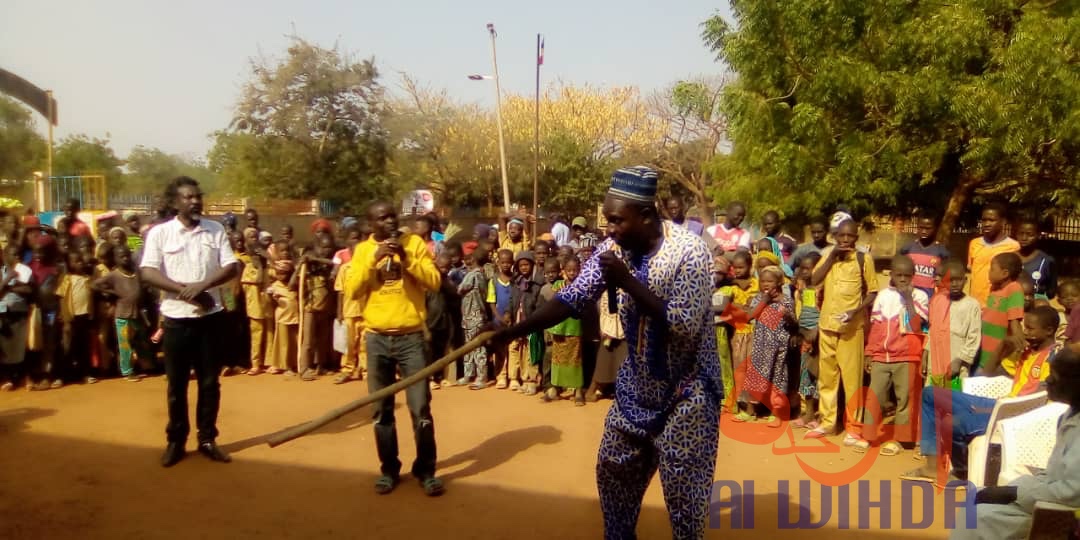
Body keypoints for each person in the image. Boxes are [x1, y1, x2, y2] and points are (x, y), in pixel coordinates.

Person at [491, 166, 720, 539]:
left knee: (685, 505)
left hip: (687, 395)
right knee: (613, 477)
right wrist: (512, 332)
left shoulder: (689, 252)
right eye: (606, 220)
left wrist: (627, 281)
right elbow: (571, 298)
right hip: (636, 389)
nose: (608, 229)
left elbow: (681, 323)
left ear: (645, 216)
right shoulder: (614, 250)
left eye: (616, 220)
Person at [344, 201, 444, 497]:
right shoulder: (362, 250)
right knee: (381, 411)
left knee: (421, 409)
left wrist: (407, 260)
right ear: (371, 223)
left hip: (411, 338)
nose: (389, 222)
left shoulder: (413, 243)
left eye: (392, 216)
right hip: (376, 339)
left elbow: (435, 282)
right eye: (382, 218)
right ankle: (389, 469)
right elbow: (352, 291)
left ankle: (426, 470)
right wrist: (373, 260)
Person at [140, 176, 238, 467]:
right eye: (187, 197)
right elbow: (148, 272)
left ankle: (207, 439)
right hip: (176, 321)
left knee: (210, 383)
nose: (195, 201)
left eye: (197, 196)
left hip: (210, 320)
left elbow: (230, 266)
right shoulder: (160, 233)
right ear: (174, 203)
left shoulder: (215, 230)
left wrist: (203, 286)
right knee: (177, 386)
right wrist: (187, 291)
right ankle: (175, 441)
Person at [903, 305, 1061, 483]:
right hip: (998, 405)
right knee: (930, 394)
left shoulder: (1054, 358)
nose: (1025, 332)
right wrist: (1004, 346)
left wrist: (1002, 407)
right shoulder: (1025, 352)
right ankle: (931, 467)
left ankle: (962, 472)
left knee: (951, 423)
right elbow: (986, 373)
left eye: (1030, 329)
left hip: (1014, 415)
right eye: (1025, 327)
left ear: (1048, 331)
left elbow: (1041, 399)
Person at [950, 347, 1080, 540]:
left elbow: (1071, 492)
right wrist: (1014, 489)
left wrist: (1016, 493)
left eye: (1055, 376)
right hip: (1042, 500)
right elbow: (1053, 474)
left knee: (976, 518)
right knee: (974, 499)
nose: (1047, 381)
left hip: (1060, 515)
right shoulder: (1068, 416)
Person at [806, 219, 879, 440]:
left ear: (856, 238)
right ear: (835, 237)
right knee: (827, 379)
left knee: (852, 380)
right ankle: (828, 423)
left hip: (851, 328)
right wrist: (832, 257)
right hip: (827, 326)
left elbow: (873, 292)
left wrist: (856, 311)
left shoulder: (863, 259)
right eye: (842, 236)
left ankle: (853, 427)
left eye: (850, 236)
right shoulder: (829, 257)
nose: (845, 240)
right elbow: (813, 280)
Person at [853, 255, 928, 454]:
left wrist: (908, 298)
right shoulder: (883, 296)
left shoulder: (920, 296)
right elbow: (876, 327)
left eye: (907, 276)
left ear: (913, 276)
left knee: (905, 399)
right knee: (874, 396)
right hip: (881, 356)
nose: (903, 279)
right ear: (891, 275)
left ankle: (900, 439)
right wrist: (870, 352)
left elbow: (916, 325)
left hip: (907, 356)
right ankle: (868, 436)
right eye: (899, 275)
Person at [744, 265, 797, 427]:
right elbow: (749, 317)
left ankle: (776, 413)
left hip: (779, 346)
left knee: (778, 377)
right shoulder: (759, 299)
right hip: (761, 345)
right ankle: (751, 410)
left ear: (780, 282)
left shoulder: (786, 300)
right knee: (756, 376)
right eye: (763, 281)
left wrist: (787, 315)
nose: (765, 284)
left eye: (770, 281)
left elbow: (794, 323)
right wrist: (764, 302)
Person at [92, 245, 152, 382]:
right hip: (122, 315)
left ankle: (146, 365)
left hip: (137, 313)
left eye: (127, 255)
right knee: (125, 344)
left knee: (140, 340)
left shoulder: (136, 272)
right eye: (121, 256)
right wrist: (112, 293)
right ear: (115, 259)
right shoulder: (114, 275)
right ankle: (127, 371)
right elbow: (94, 285)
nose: (125, 258)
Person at [924, 261, 982, 389]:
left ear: (965, 280)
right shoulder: (938, 301)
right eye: (950, 280)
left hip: (956, 362)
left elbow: (974, 337)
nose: (954, 284)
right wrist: (925, 354)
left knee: (953, 401)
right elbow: (932, 330)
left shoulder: (972, 305)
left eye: (958, 280)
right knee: (934, 399)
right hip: (935, 361)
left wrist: (959, 360)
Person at [543, 256, 585, 405]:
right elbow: (554, 302)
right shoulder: (558, 285)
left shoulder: (582, 285)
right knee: (557, 360)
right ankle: (554, 388)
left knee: (575, 360)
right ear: (564, 271)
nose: (572, 273)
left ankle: (578, 390)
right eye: (569, 270)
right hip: (559, 327)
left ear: (580, 271)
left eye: (575, 270)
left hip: (574, 327)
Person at [978, 252, 1026, 376]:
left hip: (996, 357)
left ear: (1005, 273)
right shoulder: (994, 289)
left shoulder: (1014, 289)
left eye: (992, 269)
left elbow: (1014, 319)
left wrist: (1017, 341)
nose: (989, 272)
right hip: (983, 352)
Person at [297, 237, 335, 381]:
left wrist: (317, 260)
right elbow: (292, 284)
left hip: (325, 308)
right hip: (310, 309)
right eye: (323, 248)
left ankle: (321, 365)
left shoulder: (326, 266)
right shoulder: (307, 271)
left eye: (328, 248)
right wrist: (302, 265)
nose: (326, 251)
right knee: (308, 341)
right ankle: (304, 368)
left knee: (323, 339)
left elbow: (334, 263)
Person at [792, 252, 823, 430]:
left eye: (807, 268)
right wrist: (801, 332)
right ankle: (809, 412)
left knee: (820, 376)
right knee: (806, 377)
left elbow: (821, 312)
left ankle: (820, 415)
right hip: (805, 337)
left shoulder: (822, 288)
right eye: (801, 268)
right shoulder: (803, 289)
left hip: (819, 338)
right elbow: (803, 312)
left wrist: (815, 333)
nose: (803, 272)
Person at [968, 203, 1020, 307]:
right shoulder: (974, 243)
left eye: (992, 220)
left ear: (1003, 222)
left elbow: (1014, 279)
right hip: (975, 303)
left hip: (997, 304)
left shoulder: (1013, 247)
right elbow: (972, 272)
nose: (987, 224)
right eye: (984, 220)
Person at [507, 251, 542, 394]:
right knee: (517, 349)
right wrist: (508, 313)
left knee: (531, 352)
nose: (524, 268)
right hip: (518, 322)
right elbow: (511, 301)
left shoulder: (537, 285)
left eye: (527, 264)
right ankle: (522, 378)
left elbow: (538, 305)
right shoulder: (516, 283)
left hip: (531, 323)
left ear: (532, 265)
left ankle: (531, 380)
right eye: (521, 265)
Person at [0, 244, 33, 391]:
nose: (17, 257)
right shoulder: (2, 271)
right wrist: (9, 278)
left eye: (18, 254)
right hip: (3, 313)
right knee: (5, 348)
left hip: (20, 312)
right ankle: (7, 378)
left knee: (21, 346)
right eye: (13, 254)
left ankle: (25, 377)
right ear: (5, 256)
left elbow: (28, 289)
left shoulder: (25, 271)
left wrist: (9, 288)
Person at [458, 249, 490, 389]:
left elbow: (460, 289)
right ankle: (469, 374)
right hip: (475, 315)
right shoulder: (484, 274)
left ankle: (481, 376)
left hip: (473, 315)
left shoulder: (473, 275)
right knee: (471, 345)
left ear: (473, 259)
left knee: (476, 346)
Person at [900, 212, 950, 299]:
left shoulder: (941, 251)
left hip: (930, 298)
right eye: (921, 227)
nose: (923, 231)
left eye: (928, 228)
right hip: (910, 297)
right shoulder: (907, 248)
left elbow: (947, 277)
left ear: (935, 229)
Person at [487, 249, 515, 389]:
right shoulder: (493, 280)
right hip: (498, 320)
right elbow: (491, 302)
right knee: (500, 349)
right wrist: (499, 317)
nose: (506, 265)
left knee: (514, 348)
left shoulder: (515, 279)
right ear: (498, 262)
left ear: (512, 263)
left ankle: (513, 376)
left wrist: (510, 317)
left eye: (508, 262)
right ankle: (501, 375)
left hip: (513, 319)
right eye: (503, 262)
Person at [266, 262, 299, 376]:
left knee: (295, 342)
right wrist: (271, 297)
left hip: (295, 316)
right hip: (283, 317)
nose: (280, 276)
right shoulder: (275, 286)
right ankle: (286, 366)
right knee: (284, 343)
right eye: (278, 274)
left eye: (284, 274)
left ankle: (295, 363)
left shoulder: (295, 284)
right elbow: (270, 302)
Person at [1015, 216, 1057, 301]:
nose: (1024, 238)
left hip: (1035, 307)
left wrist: (1036, 293)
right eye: (1021, 233)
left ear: (1038, 235)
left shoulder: (1047, 260)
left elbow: (1052, 291)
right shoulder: (1010, 258)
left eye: (1029, 234)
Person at [1061, 281, 1080, 354]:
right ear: (1059, 300)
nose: (1070, 298)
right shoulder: (1058, 317)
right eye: (1064, 296)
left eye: (1074, 295)